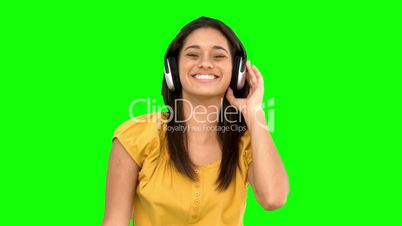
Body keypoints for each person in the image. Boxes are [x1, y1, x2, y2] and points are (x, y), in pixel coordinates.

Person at [102, 16, 289, 226]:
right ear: (172, 69)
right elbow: (114, 221)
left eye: (218, 56)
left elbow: (274, 198)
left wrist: (255, 113)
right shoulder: (135, 137)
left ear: (238, 72)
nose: (205, 64)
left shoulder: (246, 143)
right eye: (193, 55)